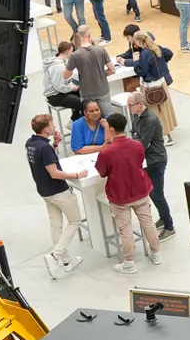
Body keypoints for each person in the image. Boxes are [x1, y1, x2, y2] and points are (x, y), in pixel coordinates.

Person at [96, 113, 162, 274]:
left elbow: (102, 172)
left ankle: (129, 263)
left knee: (125, 230)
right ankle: (156, 254)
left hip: (120, 195)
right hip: (140, 190)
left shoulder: (107, 152)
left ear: (111, 129)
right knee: (148, 223)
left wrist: (103, 151)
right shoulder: (137, 145)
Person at [25, 113, 86, 278]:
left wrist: (56, 144)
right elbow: (54, 173)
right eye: (52, 125)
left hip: (44, 191)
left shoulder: (31, 144)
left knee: (56, 225)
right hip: (58, 191)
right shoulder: (44, 148)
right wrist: (77, 175)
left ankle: (67, 261)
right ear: (46, 129)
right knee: (75, 221)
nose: (54, 127)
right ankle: (55, 255)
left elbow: (43, 160)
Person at [125, 94, 176, 240]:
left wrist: (133, 143)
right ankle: (163, 217)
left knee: (158, 194)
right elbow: (134, 133)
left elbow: (143, 143)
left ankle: (169, 226)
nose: (128, 108)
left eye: (131, 105)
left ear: (140, 104)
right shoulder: (137, 116)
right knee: (153, 193)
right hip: (146, 160)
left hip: (155, 160)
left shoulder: (150, 120)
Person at [65, 25, 113, 112]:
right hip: (103, 90)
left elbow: (66, 75)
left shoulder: (75, 55)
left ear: (78, 36)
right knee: (107, 117)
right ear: (89, 36)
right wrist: (102, 74)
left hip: (87, 92)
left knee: (90, 119)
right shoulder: (101, 50)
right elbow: (112, 70)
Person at [43, 41, 84, 121]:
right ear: (67, 51)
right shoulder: (59, 67)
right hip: (55, 96)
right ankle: (75, 122)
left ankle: (74, 120)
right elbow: (59, 87)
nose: (72, 54)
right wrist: (72, 88)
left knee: (85, 95)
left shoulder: (58, 62)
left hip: (60, 92)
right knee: (83, 103)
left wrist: (73, 87)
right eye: (71, 52)